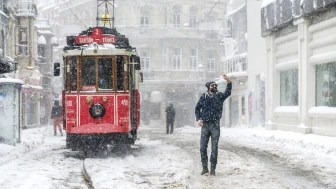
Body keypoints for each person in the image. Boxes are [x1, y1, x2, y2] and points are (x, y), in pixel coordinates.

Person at [195, 74, 232, 176]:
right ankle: (204, 168)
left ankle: (212, 169)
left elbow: (228, 92)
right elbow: (197, 108)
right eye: (212, 86)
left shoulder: (219, 96)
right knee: (203, 147)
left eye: (215, 86)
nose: (214, 87)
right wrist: (198, 119)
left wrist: (228, 82)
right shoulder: (203, 97)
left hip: (215, 125)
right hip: (205, 125)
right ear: (208, 87)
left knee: (214, 148)